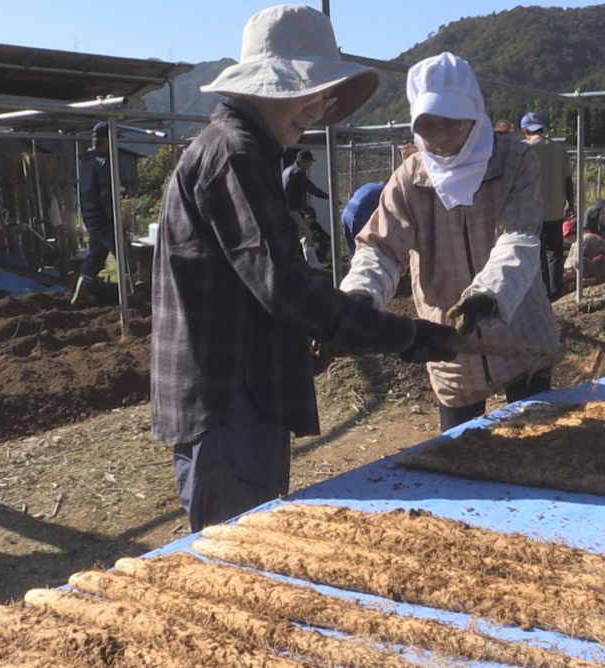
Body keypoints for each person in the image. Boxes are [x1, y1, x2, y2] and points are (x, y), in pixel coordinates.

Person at [151, 4, 458, 532]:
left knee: (256, 543)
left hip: (246, 389)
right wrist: (406, 335)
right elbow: (285, 288)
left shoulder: (250, 152)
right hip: (229, 398)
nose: (318, 107)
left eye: (323, 93)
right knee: (239, 558)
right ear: (264, 87)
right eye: (308, 91)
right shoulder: (235, 156)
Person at [340, 52, 560, 433]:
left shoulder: (514, 161)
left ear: (474, 117)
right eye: (429, 128)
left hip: (519, 330)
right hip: (449, 340)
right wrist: (360, 295)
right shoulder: (410, 179)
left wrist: (487, 295)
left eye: (453, 125)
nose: (441, 139)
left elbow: (519, 238)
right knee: (461, 453)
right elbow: (380, 247)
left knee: (536, 442)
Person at [72, 122, 136, 306]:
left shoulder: (86, 161)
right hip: (104, 217)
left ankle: (80, 295)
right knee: (125, 254)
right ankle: (130, 295)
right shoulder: (105, 163)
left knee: (97, 255)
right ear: (106, 139)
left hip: (90, 216)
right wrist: (117, 220)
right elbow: (106, 194)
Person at [521, 112, 573, 299]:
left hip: (533, 211)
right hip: (555, 210)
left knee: (537, 253)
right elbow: (568, 179)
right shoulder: (559, 149)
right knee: (555, 252)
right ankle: (555, 291)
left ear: (526, 130)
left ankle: (542, 293)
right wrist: (571, 203)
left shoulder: (525, 149)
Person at [282, 149, 329, 268]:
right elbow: (311, 188)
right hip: (292, 209)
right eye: (309, 162)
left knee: (294, 237)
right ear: (303, 162)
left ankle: (293, 264)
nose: (310, 165)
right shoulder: (297, 172)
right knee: (307, 234)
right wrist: (328, 196)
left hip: (286, 208)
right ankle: (313, 264)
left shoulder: (287, 170)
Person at [563, 198, 605, 288]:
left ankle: (587, 283)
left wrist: (565, 274)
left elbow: (573, 261)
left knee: (578, 261)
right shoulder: (579, 241)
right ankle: (588, 281)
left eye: (568, 236)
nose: (568, 239)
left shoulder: (585, 239)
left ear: (575, 232)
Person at [340, 181, 384, 254]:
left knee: (353, 249)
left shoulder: (369, 185)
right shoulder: (385, 191)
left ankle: (353, 260)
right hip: (358, 216)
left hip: (346, 214)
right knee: (362, 249)